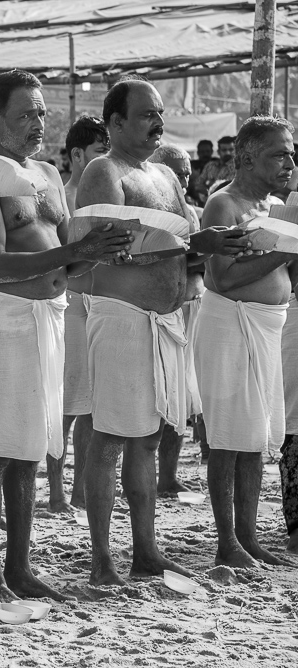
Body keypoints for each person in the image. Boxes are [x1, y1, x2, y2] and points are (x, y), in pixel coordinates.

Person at [76, 78, 255, 586]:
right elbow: (106, 247)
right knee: (110, 437)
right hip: (121, 317)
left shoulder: (165, 176)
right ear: (114, 123)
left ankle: (145, 550)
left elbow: (184, 244)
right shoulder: (102, 170)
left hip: (167, 320)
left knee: (150, 437)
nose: (158, 122)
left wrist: (213, 245)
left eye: (160, 113)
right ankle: (101, 558)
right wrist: (192, 242)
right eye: (146, 114)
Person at [0, 71, 130, 602]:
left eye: (40, 112)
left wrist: (96, 251)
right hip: (5, 318)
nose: (38, 123)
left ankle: (20, 566)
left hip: (51, 315)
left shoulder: (49, 175)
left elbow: (66, 259)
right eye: (24, 114)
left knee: (31, 448)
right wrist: (68, 256)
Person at [194, 116, 296, 568]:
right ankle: (226, 541)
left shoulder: (276, 205)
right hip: (230, 323)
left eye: (291, 153)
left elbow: (279, 274)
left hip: (269, 325)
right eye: (279, 153)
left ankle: (249, 538)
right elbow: (223, 279)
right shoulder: (224, 205)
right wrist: (286, 249)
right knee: (228, 438)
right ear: (249, 156)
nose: (290, 162)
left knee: (253, 438)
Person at [55, 115, 109, 511]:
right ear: (77, 154)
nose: (104, 160)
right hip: (69, 307)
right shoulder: (59, 195)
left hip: (102, 305)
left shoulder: (109, 194)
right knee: (64, 405)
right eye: (97, 152)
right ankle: (56, 492)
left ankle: (81, 489)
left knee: (92, 405)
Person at [148, 144, 204, 497]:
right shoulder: (149, 206)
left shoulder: (193, 212)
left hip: (191, 309)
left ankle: (167, 476)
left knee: (183, 401)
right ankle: (144, 474)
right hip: (161, 312)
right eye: (176, 172)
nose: (183, 179)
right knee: (157, 399)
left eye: (185, 172)